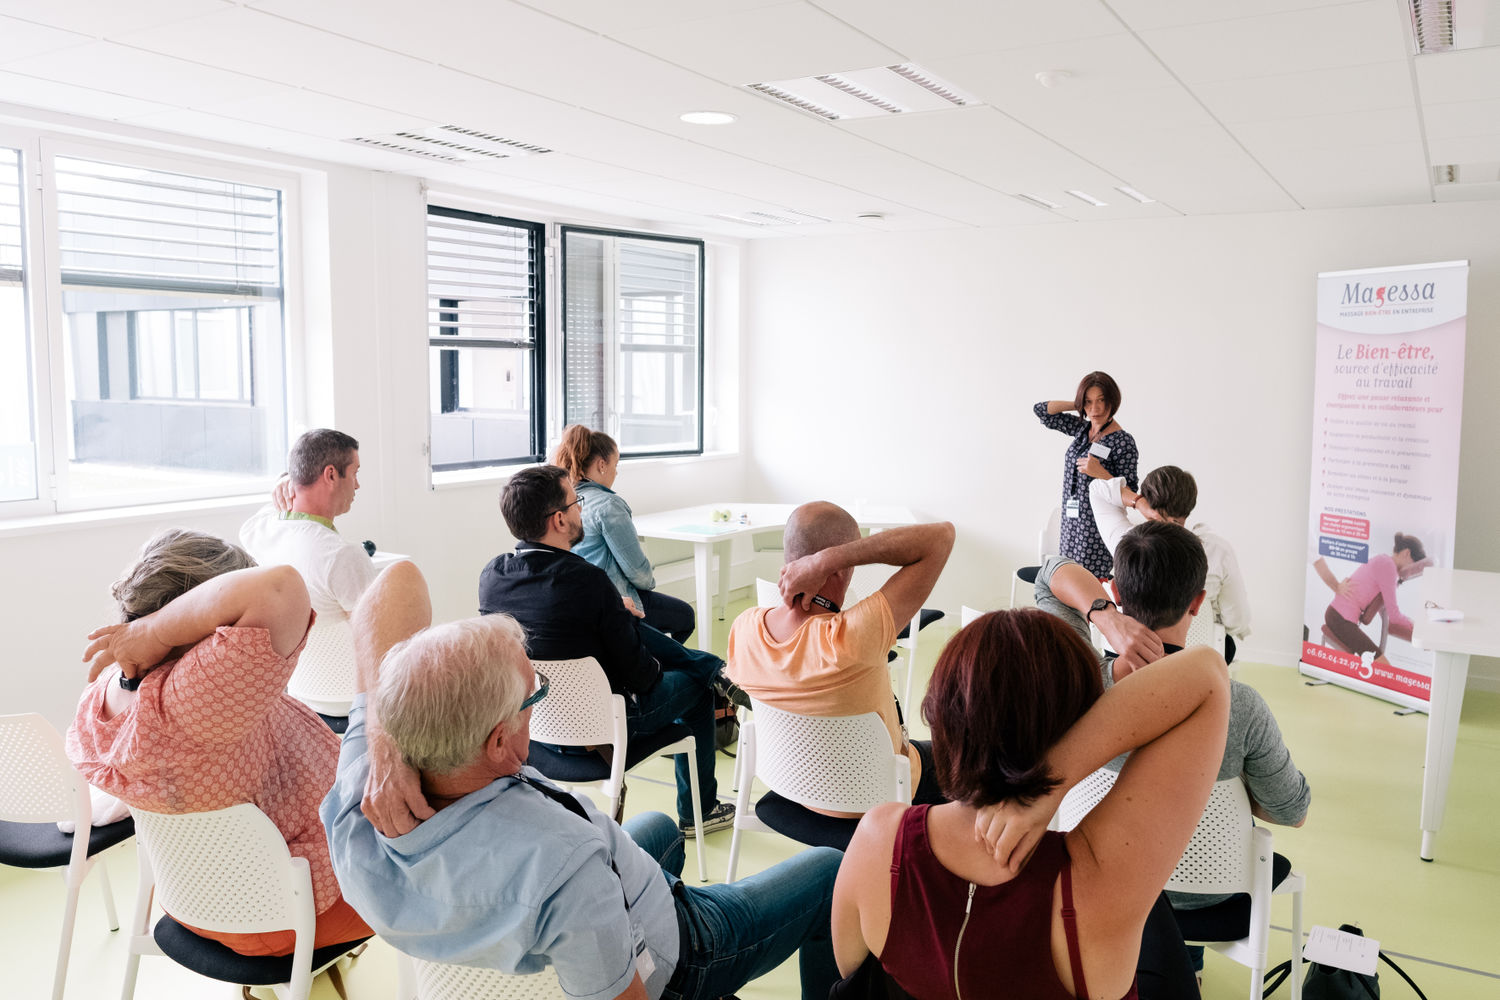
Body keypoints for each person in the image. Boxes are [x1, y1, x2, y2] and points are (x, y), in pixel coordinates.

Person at [323, 561, 843, 1000]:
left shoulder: (359, 797)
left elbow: (393, 581)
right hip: (681, 949)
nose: (537, 703)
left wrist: (382, 741)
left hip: (560, 907)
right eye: (535, 695)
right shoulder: (566, 870)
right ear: (499, 742)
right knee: (830, 869)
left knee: (659, 827)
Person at [831, 608, 1229, 1000]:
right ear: (1074, 726)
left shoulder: (879, 839)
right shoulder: (1100, 878)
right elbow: (1207, 674)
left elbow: (855, 975)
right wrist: (1048, 782)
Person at [66, 529, 371, 957]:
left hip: (197, 905)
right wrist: (156, 631)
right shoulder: (193, 698)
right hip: (291, 911)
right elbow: (280, 587)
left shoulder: (103, 694)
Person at [1034, 520, 1310, 979]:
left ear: (1117, 588)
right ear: (1199, 600)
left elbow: (1049, 574)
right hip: (1209, 898)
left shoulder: (1076, 684)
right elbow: (1292, 811)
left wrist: (1103, 614)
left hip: (1097, 883)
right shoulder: (1239, 705)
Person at [478, 465, 735, 836]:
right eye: (576, 502)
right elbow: (643, 677)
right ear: (560, 520)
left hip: (536, 731)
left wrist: (617, 616)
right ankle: (699, 811)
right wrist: (623, 619)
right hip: (603, 730)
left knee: (658, 644)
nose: (581, 509)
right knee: (696, 689)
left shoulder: (493, 576)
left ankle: (713, 669)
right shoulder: (588, 582)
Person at [726, 503, 955, 814]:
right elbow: (942, 536)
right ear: (840, 567)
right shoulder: (853, 636)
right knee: (975, 757)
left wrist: (821, 559)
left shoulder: (745, 628)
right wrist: (832, 558)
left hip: (794, 789)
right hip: (877, 801)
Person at [1089, 464, 1252, 662]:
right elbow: (1236, 619)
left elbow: (1097, 489)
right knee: (1228, 643)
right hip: (1194, 656)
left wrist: (1138, 502)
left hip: (1123, 654)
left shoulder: (1126, 542)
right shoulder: (1218, 551)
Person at [553, 424, 696, 643]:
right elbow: (637, 571)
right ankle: (650, 665)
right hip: (617, 601)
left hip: (576, 601)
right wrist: (649, 583)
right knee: (685, 616)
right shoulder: (608, 505)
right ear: (602, 464)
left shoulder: (562, 502)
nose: (616, 472)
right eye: (615, 464)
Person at [239, 428, 376, 622]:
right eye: (355, 474)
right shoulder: (343, 556)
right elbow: (374, 640)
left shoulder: (256, 530)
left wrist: (287, 479)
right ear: (331, 475)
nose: (357, 485)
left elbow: (276, 506)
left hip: (296, 653)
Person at [1035, 371, 1139, 579]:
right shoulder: (1083, 429)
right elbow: (1041, 411)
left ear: (1113, 401)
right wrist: (1077, 404)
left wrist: (1100, 473)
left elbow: (1131, 494)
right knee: (1068, 586)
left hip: (1097, 531)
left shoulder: (1123, 442)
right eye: (1089, 402)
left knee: (1091, 591)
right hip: (1071, 526)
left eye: (1101, 401)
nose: (1095, 409)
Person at [1314, 533, 1430, 663]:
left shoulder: (1383, 561)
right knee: (1383, 665)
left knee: (1379, 662)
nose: (1410, 572)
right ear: (1407, 553)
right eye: (1413, 566)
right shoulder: (1388, 566)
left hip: (1339, 616)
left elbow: (1386, 611)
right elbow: (1394, 616)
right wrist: (1416, 626)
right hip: (1340, 619)